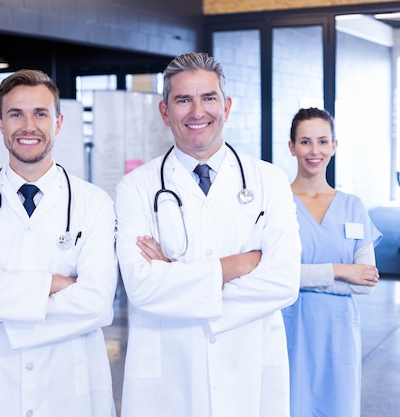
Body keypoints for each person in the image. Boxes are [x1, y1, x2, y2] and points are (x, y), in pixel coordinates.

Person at [115, 52, 302, 417]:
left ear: (227, 106)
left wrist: (175, 276)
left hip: (249, 366)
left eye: (209, 98)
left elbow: (283, 281)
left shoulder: (269, 180)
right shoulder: (135, 187)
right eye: (183, 100)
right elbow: (141, 288)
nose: (197, 112)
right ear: (165, 112)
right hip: (168, 375)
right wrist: (239, 264)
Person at [0, 69, 118, 417]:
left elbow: (96, 302)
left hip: (69, 385)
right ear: (0, 123)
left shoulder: (93, 202)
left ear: (59, 121)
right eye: (15, 114)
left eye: (40, 113)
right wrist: (56, 284)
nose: (28, 126)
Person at [282, 107, 382, 417]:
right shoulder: (278, 205)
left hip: (338, 336)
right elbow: (275, 275)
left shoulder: (353, 206)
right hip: (289, 330)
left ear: (334, 146)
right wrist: (341, 271)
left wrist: (304, 277)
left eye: (323, 141)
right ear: (292, 147)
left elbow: (365, 283)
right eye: (305, 142)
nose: (315, 151)